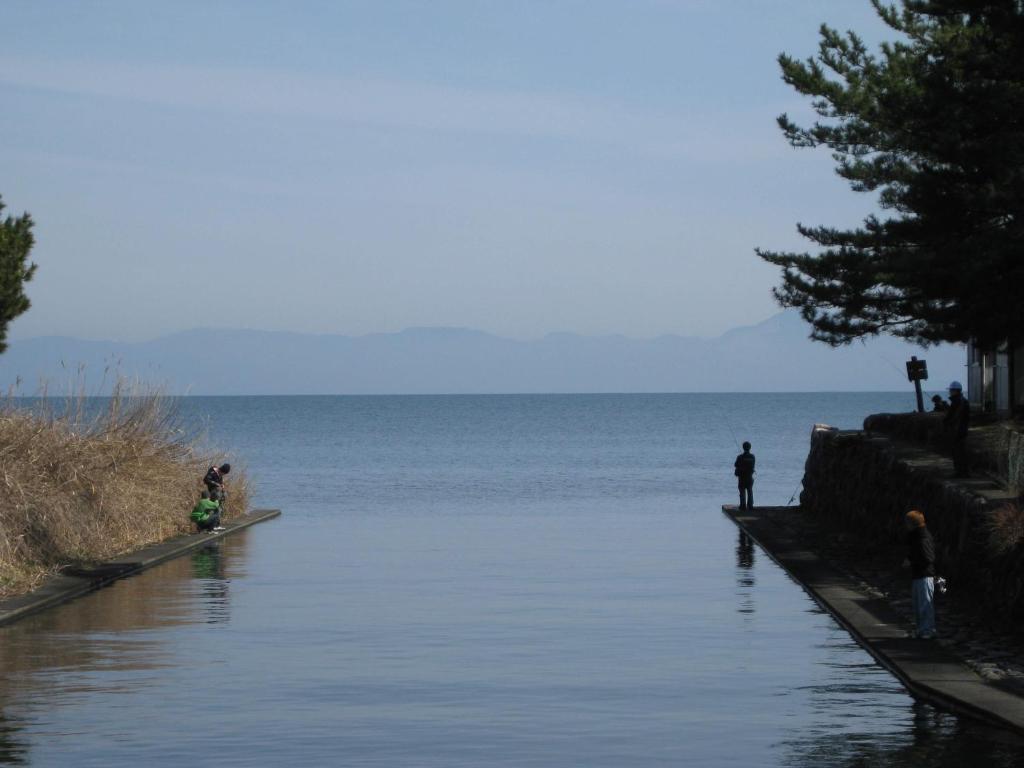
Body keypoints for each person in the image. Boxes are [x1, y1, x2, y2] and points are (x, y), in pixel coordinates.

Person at [904, 510, 936, 639]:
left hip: (925, 576)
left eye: (907, 523)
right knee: (918, 605)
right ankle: (921, 630)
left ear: (912, 524)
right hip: (918, 575)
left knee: (925, 604)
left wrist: (911, 561)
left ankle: (928, 630)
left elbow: (929, 558)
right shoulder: (916, 537)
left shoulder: (923, 538)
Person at [944, 382, 970, 477]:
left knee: (958, 452)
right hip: (961, 430)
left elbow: (953, 417)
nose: (950, 392)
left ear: (955, 391)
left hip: (957, 430)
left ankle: (960, 472)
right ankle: (962, 472)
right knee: (960, 452)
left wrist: (947, 423)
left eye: (951, 390)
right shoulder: (963, 401)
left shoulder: (957, 402)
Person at [734, 441, 755, 510]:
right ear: (750, 448)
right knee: (750, 491)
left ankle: (743, 506)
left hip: (742, 477)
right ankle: (750, 505)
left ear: (743, 448)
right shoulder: (752, 456)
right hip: (749, 477)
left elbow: (736, 465)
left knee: (742, 491)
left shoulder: (740, 457)